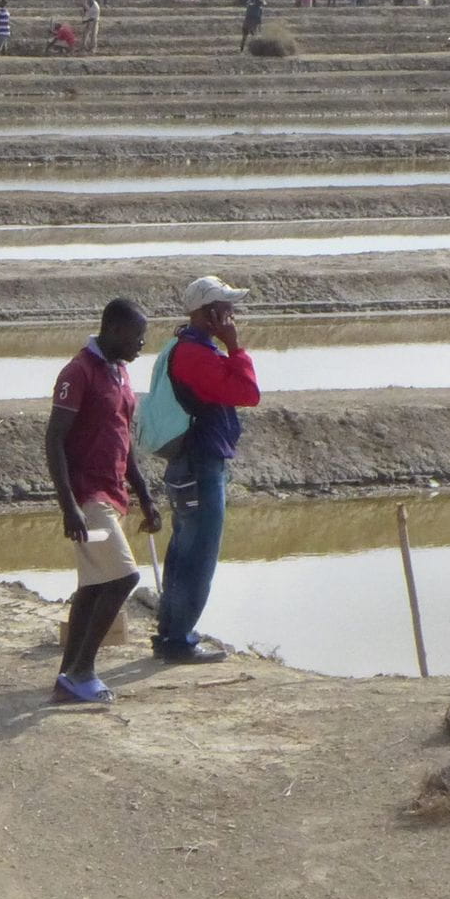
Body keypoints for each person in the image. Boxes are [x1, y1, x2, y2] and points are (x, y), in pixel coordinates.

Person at [44, 299, 160, 704]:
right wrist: (68, 505)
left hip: (113, 494)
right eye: (137, 335)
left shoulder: (120, 372)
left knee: (93, 587)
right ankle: (83, 671)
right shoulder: (78, 373)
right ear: (112, 330)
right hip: (88, 497)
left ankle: (68, 677)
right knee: (124, 578)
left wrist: (145, 496)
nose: (143, 343)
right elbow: (54, 439)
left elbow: (123, 441)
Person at [151, 276, 261, 665]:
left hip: (190, 462)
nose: (232, 314)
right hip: (200, 463)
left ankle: (170, 633)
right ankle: (178, 640)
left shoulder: (185, 349)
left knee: (184, 549)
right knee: (198, 555)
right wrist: (234, 347)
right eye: (226, 307)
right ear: (209, 312)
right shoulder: (196, 355)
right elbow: (247, 393)